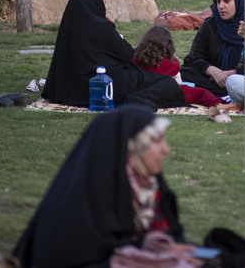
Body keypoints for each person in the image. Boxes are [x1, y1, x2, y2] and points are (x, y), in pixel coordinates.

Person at [13, 105, 200, 268]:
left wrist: (169, 249)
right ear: (134, 148)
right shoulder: (88, 199)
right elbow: (83, 255)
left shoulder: (148, 185)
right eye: (156, 141)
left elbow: (171, 234)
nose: (165, 149)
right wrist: (152, 250)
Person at [41, 0, 185, 110]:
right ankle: (132, 100)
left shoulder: (68, 30)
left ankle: (133, 99)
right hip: (111, 84)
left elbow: (58, 66)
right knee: (168, 84)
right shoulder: (102, 27)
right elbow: (127, 54)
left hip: (77, 90)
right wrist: (112, 28)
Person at [133, 25, 230, 110]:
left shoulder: (135, 59)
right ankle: (219, 103)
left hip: (142, 91)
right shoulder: (169, 64)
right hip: (167, 91)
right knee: (200, 93)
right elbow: (176, 73)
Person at [180, 0, 245, 97]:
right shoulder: (210, 25)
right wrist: (213, 71)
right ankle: (225, 92)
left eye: (226, 1)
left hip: (239, 78)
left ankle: (212, 91)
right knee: (183, 72)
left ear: (239, 0)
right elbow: (193, 58)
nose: (221, 6)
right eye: (218, 2)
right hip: (211, 78)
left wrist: (229, 74)